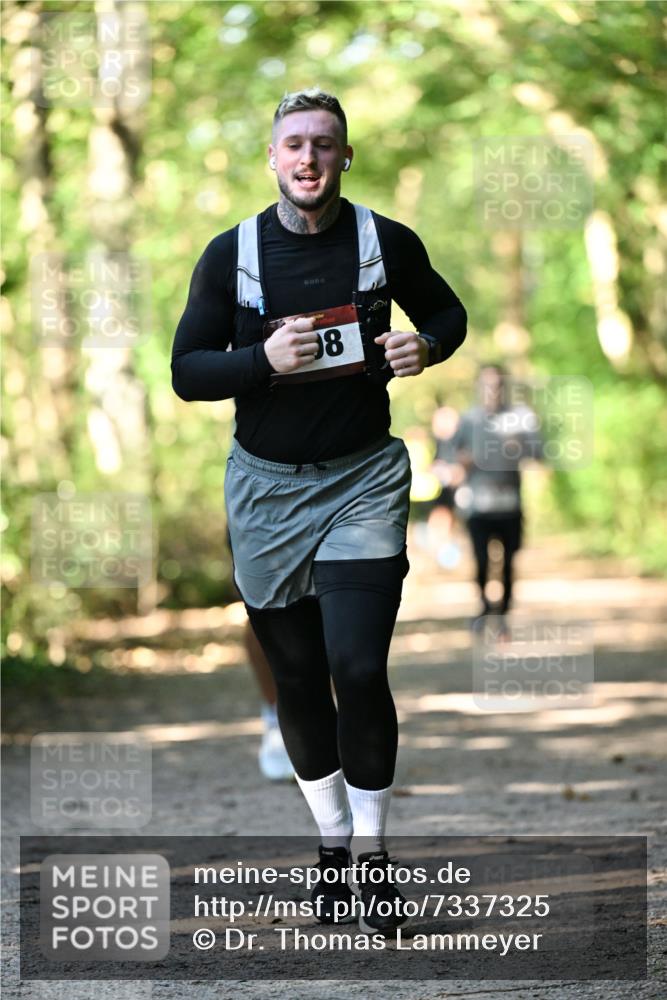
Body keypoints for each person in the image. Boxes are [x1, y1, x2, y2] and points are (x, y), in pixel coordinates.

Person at [171, 89, 466, 933]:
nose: (308, 158)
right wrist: (258, 360)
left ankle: (372, 859)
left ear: (345, 157)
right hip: (265, 488)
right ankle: (331, 849)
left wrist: (429, 344)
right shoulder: (230, 255)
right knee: (298, 677)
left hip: (364, 478)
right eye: (294, 144)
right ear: (272, 159)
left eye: (324, 145)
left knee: (358, 667)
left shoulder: (385, 241)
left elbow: (446, 312)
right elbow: (187, 370)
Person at [452, 364, 542, 629]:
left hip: (510, 503)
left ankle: (503, 612)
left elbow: (539, 454)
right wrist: (462, 463)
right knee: (481, 559)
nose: (492, 390)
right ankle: (483, 605)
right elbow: (450, 458)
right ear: (478, 387)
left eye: (498, 385)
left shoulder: (521, 417)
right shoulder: (468, 419)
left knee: (508, 560)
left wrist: (520, 447)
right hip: (477, 504)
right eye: (487, 385)